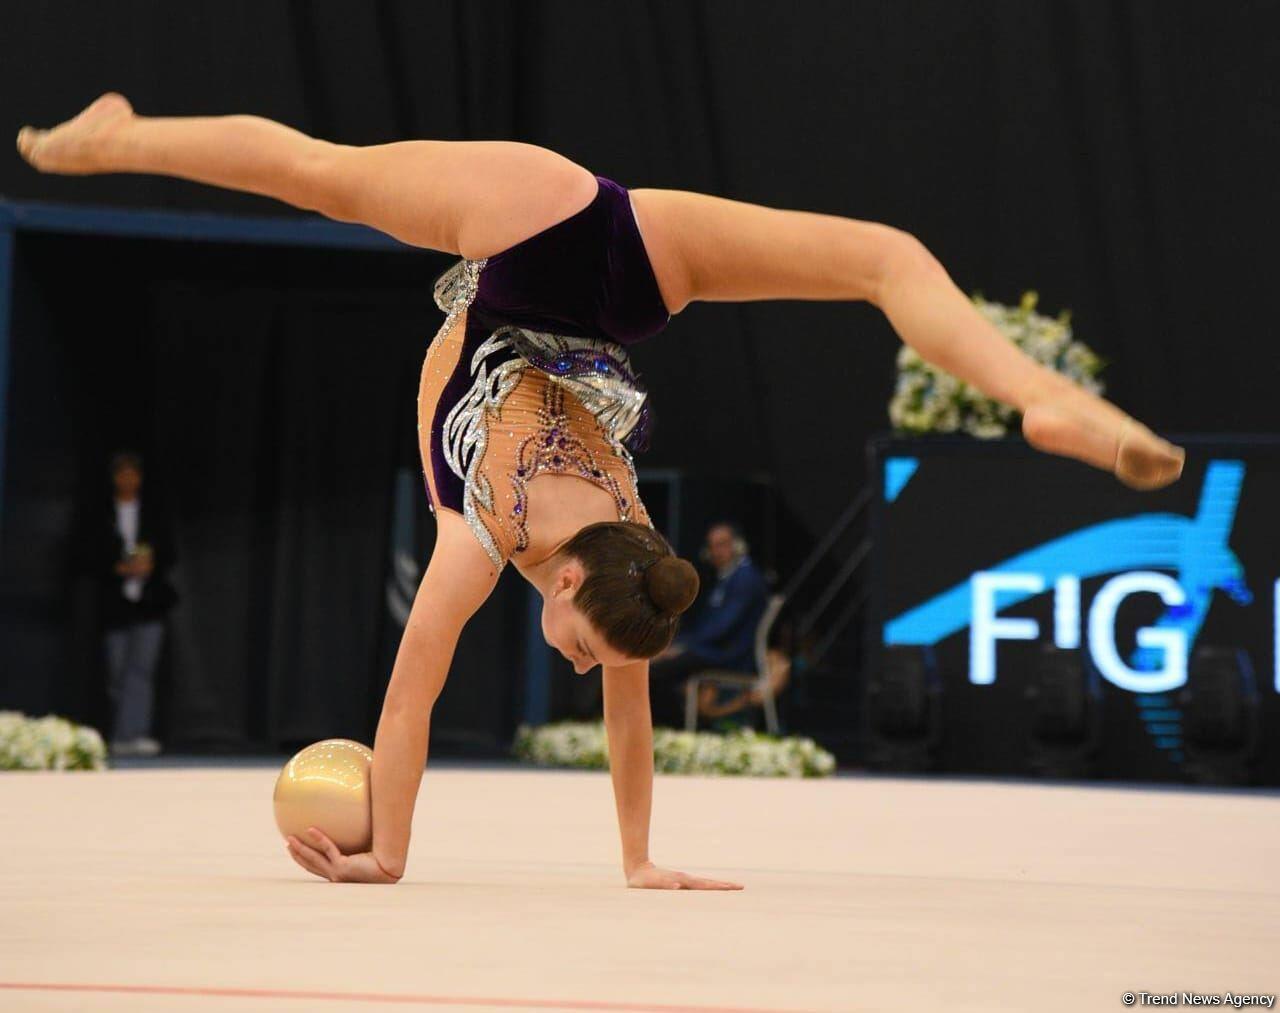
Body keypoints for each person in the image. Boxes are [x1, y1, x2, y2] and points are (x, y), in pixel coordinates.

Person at [17, 94, 1183, 891]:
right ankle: (119, 139)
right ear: (567, 580)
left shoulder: (632, 549)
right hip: (523, 238)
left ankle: (1039, 397)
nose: (583, 664)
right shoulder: (480, 540)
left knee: (878, 256)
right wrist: (391, 854)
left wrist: (636, 859)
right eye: (585, 646)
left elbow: (626, 709)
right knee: (315, 174)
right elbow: (406, 703)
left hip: (624, 264)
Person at [90, 450, 179, 757]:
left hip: (149, 602)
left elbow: (169, 550)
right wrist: (117, 568)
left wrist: (149, 565)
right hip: (115, 604)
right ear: (114, 478)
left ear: (140, 478)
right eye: (122, 473)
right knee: (117, 671)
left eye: (133, 473)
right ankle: (117, 733)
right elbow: (87, 553)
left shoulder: (153, 513)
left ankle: (136, 733)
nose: (128, 479)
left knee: (141, 670)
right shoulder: (102, 513)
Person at [649, 523, 769, 727]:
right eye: (713, 546)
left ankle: (674, 725)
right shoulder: (726, 577)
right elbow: (707, 627)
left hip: (730, 654)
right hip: (714, 648)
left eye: (722, 544)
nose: (716, 552)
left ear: (738, 545)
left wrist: (680, 647)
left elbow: (722, 628)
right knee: (658, 663)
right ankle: (676, 723)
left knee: (658, 670)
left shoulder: (745, 578)